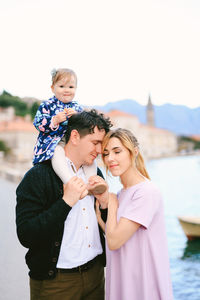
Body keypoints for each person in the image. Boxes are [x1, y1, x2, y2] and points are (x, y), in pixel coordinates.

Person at [16, 109, 112, 300]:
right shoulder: (37, 177)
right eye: (95, 143)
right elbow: (26, 235)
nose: (100, 150)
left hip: (96, 274)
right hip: (55, 282)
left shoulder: (96, 175)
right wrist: (66, 202)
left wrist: (104, 204)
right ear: (75, 136)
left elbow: (108, 227)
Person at [95, 128, 173, 300]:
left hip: (142, 286)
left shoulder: (146, 192)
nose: (110, 159)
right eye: (106, 153)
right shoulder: (124, 193)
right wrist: (102, 214)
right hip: (124, 280)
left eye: (117, 151)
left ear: (134, 152)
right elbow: (115, 235)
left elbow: (114, 241)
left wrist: (112, 202)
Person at [33, 68, 106, 196]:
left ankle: (91, 183)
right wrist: (54, 120)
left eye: (71, 87)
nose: (66, 90)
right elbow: (38, 124)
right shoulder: (47, 105)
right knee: (57, 154)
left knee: (88, 159)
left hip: (71, 141)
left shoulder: (77, 107)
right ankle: (69, 182)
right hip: (52, 142)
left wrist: (77, 116)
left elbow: (85, 126)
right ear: (52, 88)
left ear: (76, 89)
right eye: (61, 86)